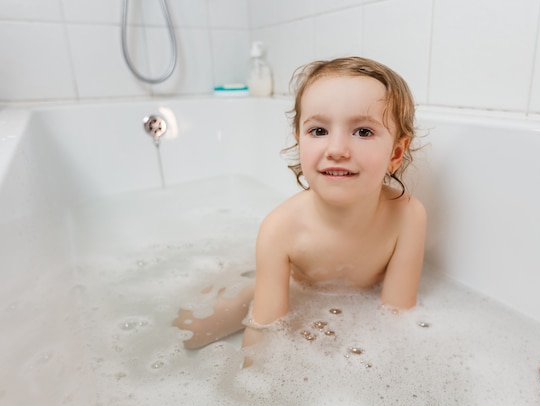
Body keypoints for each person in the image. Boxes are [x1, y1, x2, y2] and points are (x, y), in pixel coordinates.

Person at [173, 56, 427, 353]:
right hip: (292, 290)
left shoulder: (407, 215)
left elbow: (397, 318)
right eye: (319, 131)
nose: (336, 150)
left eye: (363, 132)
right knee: (190, 332)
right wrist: (254, 387)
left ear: (396, 153)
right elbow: (266, 328)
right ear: (299, 141)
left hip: (352, 309)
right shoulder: (280, 227)